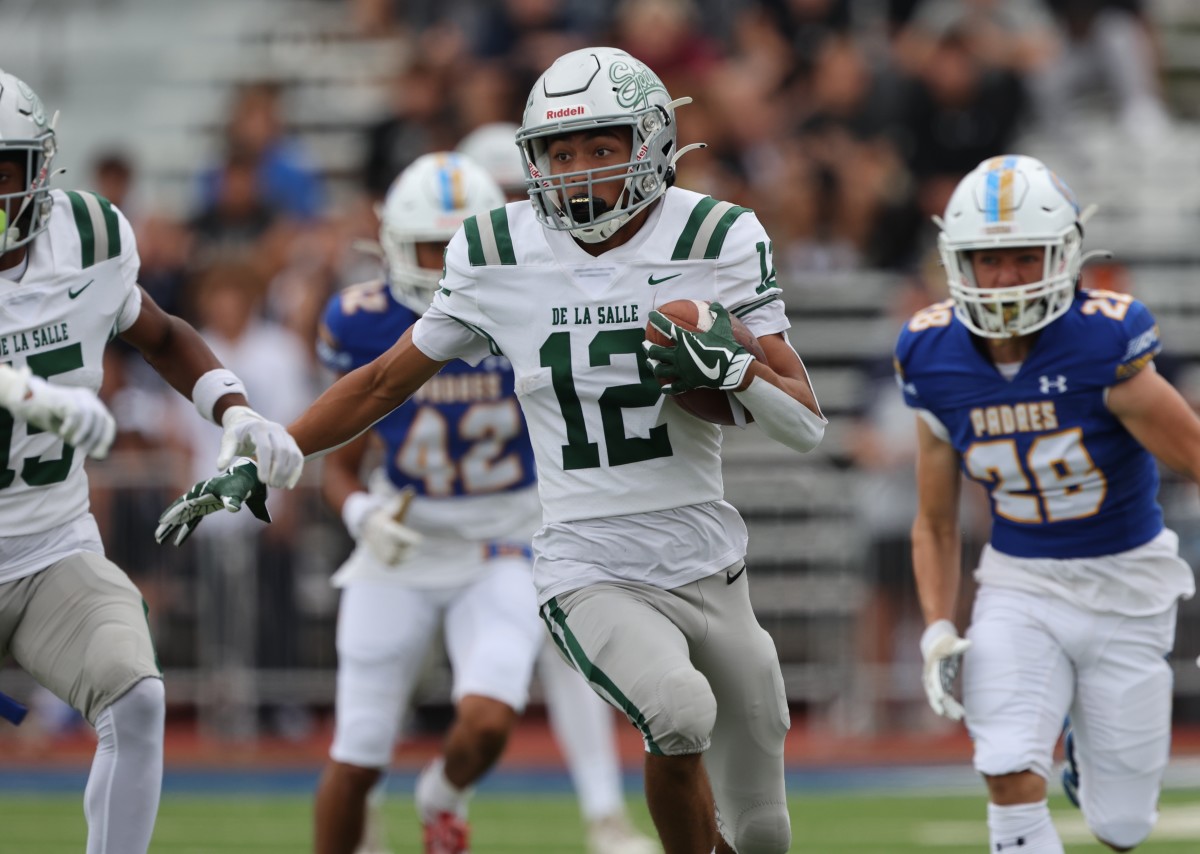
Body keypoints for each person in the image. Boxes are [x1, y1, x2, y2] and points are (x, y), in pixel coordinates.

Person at [161, 47, 826, 854]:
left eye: (600, 147)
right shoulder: (500, 250)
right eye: (561, 151)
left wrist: (738, 369)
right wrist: (271, 447)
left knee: (764, 830)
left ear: (650, 143)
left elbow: (804, 424)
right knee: (678, 713)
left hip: (709, 556)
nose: (577, 170)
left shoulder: (718, 233)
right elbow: (380, 383)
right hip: (589, 561)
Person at [0, 69, 302, 854]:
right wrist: (30, 395)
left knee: (136, 700)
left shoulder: (90, 237)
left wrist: (234, 409)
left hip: (48, 550)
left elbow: (158, 332)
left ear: (40, 168)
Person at [895, 154, 1199, 853]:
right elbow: (937, 521)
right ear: (955, 262)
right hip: (1021, 583)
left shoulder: (1104, 344)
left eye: (1023, 256)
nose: (1004, 279)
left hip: (1128, 583)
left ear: (1064, 254)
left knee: (1121, 825)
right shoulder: (929, 353)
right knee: (1004, 767)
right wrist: (939, 624)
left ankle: (1089, 767)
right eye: (986, 260)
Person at [454, 124, 661, 854]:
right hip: (445, 522)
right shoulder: (480, 272)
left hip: (534, 503)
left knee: (567, 659)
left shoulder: (572, 268)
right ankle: (431, 800)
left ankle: (604, 813)